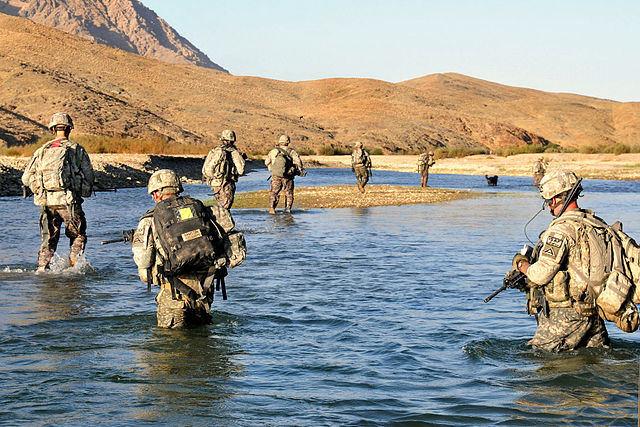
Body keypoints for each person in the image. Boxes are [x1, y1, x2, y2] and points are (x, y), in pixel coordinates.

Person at [512, 169, 610, 352]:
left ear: (555, 200)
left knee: (539, 359)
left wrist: (521, 264)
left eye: (547, 202)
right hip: (595, 312)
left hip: (565, 316)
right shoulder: (597, 224)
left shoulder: (560, 231)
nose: (548, 207)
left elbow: (541, 275)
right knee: (593, 363)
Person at [132, 169, 238, 328]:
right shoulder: (203, 211)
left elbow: (144, 262)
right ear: (177, 188)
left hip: (173, 294)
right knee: (204, 344)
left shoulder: (150, 220)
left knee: (171, 346)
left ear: (156, 193)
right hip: (205, 290)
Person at [21, 112, 94, 271]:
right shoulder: (77, 150)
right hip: (70, 204)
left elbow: (26, 178)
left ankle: (41, 271)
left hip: (47, 205)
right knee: (78, 237)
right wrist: (82, 192)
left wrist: (40, 191)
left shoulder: (41, 151)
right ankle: (74, 269)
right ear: (69, 129)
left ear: (53, 129)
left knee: (48, 241)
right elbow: (89, 178)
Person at [202, 129, 246, 210]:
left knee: (220, 205)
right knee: (225, 207)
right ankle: (222, 221)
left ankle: (219, 220)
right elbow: (241, 170)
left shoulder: (214, 150)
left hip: (215, 183)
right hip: (227, 183)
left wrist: (214, 177)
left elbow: (206, 168)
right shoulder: (233, 152)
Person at [264, 134, 305, 214]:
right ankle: (288, 209)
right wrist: (299, 170)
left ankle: (272, 208)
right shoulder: (291, 151)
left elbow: (266, 162)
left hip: (276, 175)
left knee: (274, 192)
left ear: (280, 142)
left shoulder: (273, 151)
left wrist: (272, 169)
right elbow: (298, 162)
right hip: (288, 176)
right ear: (288, 142)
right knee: (289, 192)